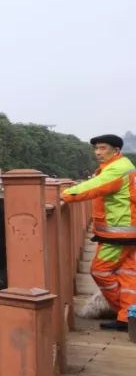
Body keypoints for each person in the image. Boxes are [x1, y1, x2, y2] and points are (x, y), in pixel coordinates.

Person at [62, 134, 136, 331]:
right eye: (96, 148)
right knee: (128, 276)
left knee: (100, 271)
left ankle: (120, 309)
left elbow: (93, 187)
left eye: (103, 148)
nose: (97, 152)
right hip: (126, 231)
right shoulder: (123, 165)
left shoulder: (117, 169)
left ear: (116, 150)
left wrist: (66, 194)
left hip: (119, 233)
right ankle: (127, 318)